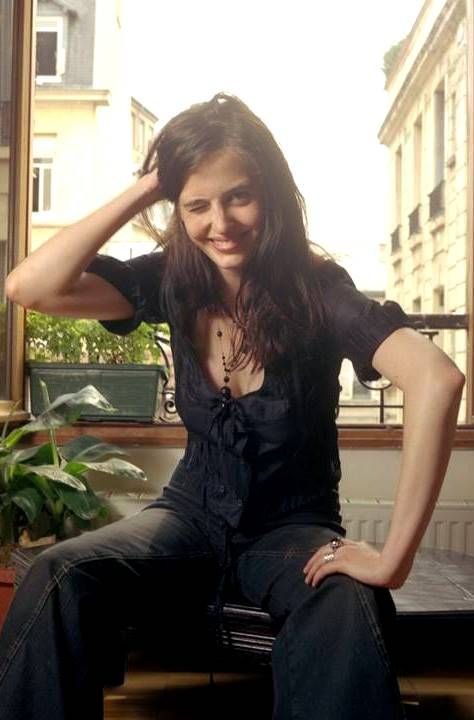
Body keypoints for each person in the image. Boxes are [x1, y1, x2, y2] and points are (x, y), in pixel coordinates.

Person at [1, 92, 464, 720]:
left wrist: (392, 558)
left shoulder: (317, 292)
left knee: (349, 602)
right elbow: (28, 286)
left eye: (238, 196)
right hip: (185, 518)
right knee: (59, 575)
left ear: (271, 194)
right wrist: (150, 187)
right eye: (196, 204)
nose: (220, 222)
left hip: (291, 531)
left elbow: (436, 379)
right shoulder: (171, 279)